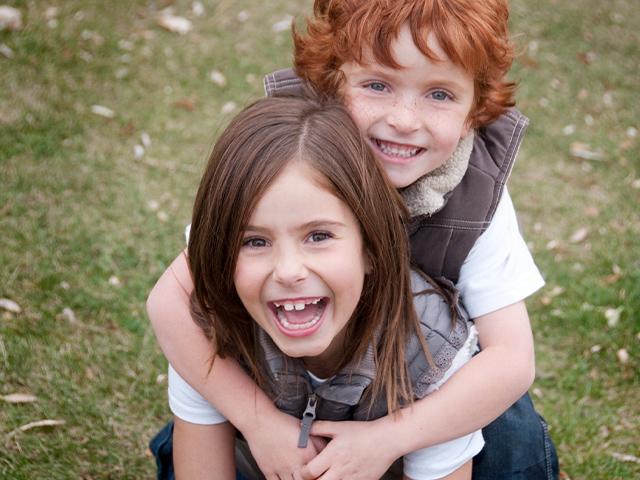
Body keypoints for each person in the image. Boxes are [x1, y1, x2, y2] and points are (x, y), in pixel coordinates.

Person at [149, 1, 559, 479]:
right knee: (215, 353)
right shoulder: (283, 163)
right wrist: (257, 421)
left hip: (424, 386)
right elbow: (171, 304)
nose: (405, 120)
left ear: (475, 112)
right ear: (331, 81)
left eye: (440, 95)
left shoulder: (477, 196)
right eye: (378, 85)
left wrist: (390, 438)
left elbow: (511, 360)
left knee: (506, 421)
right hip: (293, 379)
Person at [170, 94, 484, 480]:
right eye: (254, 242)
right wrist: (256, 421)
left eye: (318, 236)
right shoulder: (211, 326)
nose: (287, 271)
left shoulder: (429, 351)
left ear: (371, 246)